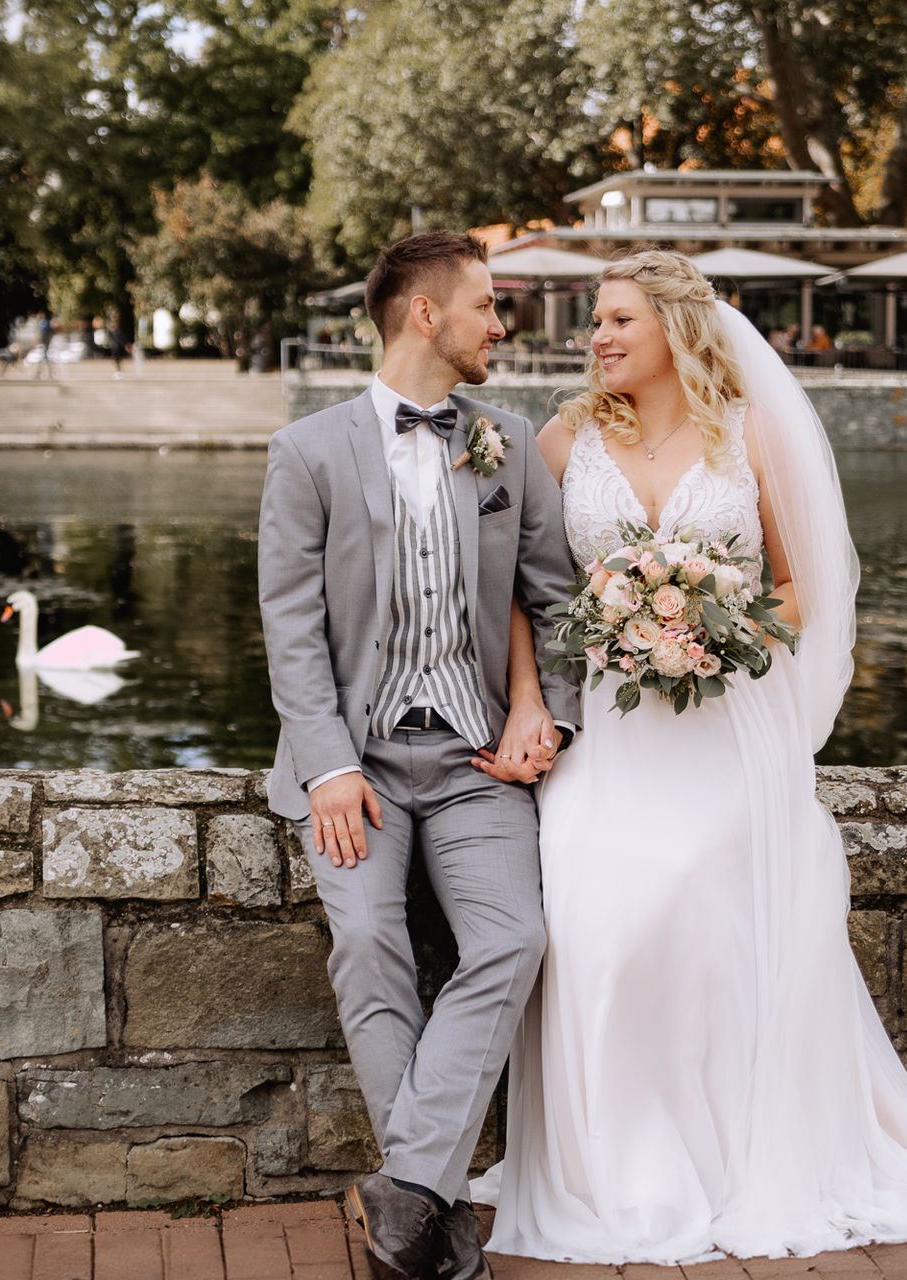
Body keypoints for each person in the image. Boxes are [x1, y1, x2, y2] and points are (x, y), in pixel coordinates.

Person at [470, 250, 907, 1262]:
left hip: (729, 720)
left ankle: (738, 1156)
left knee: (717, 922)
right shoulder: (565, 437)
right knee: (603, 923)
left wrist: (714, 632)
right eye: (596, 321)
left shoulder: (749, 434)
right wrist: (536, 693)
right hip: (607, 723)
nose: (597, 337)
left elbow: (799, 581)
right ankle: (618, 1164)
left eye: (618, 321)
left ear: (676, 331)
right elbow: (520, 587)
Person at [257, 231, 580, 1280]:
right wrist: (327, 766)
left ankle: (404, 1187)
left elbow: (557, 600)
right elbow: (291, 626)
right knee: (367, 943)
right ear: (425, 315)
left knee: (515, 937)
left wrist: (551, 715)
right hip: (356, 763)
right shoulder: (305, 452)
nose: (504, 324)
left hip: (476, 759)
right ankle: (429, 1196)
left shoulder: (509, 441)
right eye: (489, 305)